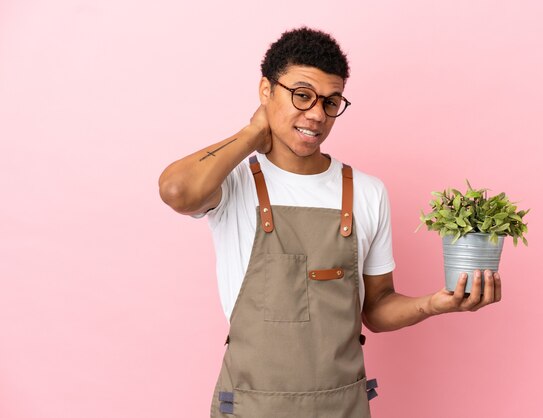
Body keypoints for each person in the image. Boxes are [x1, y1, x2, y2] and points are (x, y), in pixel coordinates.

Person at [158, 27, 502, 418]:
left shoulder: (367, 192)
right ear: (266, 91)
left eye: (331, 101)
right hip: (252, 406)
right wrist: (254, 131)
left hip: (343, 407)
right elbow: (176, 191)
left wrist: (434, 304)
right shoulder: (233, 183)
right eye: (301, 95)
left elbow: (377, 309)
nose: (317, 114)